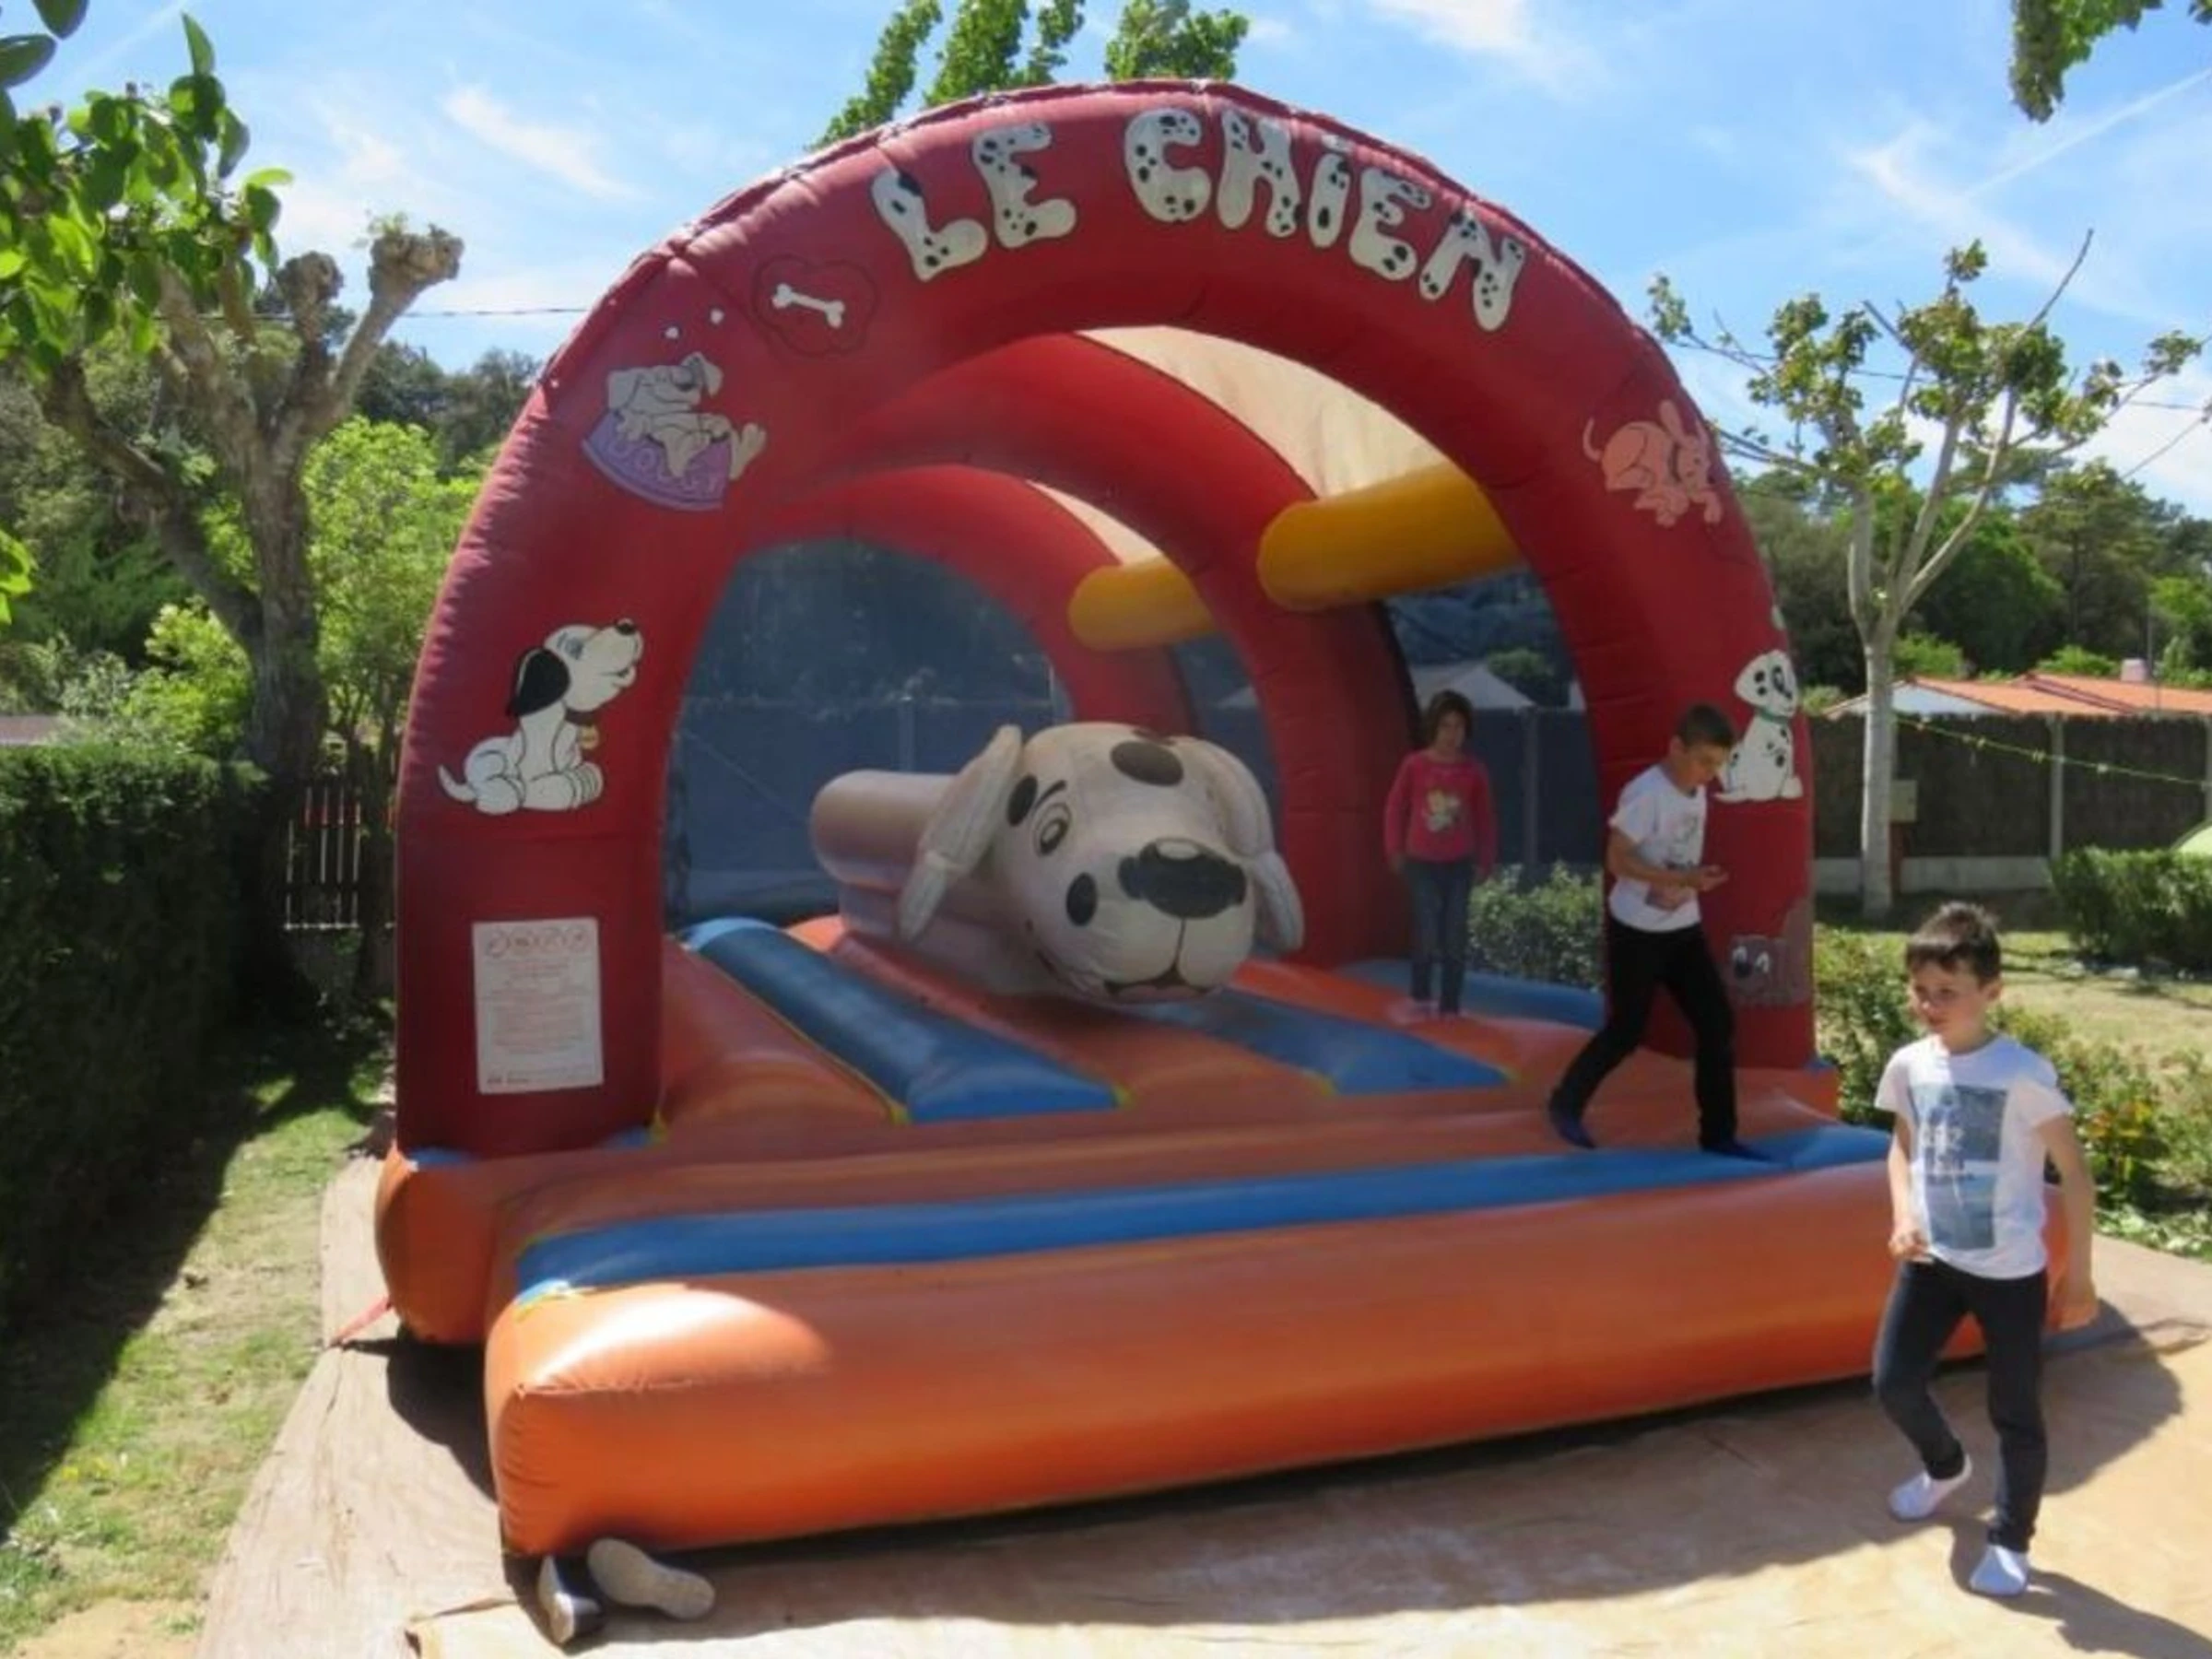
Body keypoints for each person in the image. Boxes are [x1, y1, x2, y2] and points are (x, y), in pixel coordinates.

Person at [1870, 900, 2098, 1599]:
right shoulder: (1910, 1065)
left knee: (2016, 1413)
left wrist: (2080, 1278)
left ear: (1992, 991)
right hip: (1932, 1262)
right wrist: (1905, 1215)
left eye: (1948, 991)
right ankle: (1945, 1466)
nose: (1930, 1005)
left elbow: (2076, 1175)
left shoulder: (2021, 1073)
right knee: (1893, 1381)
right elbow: (1902, 1148)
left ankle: (2010, 1540)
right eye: (1920, 990)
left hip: (2009, 1274)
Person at [1545, 701, 1753, 1156]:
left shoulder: (1696, 789)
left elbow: (1675, 855)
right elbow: (1616, 859)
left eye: (1718, 764)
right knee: (1626, 1030)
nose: (1710, 774)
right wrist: (1680, 879)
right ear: (1676, 748)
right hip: (1636, 931)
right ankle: (1566, 1102)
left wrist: (1693, 878)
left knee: (1717, 1024)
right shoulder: (1646, 793)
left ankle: (1719, 1135)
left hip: (1682, 928)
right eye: (1704, 762)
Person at [1382, 688, 1498, 1017]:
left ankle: (1450, 1004)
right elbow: (1395, 808)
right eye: (1445, 726)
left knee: (1455, 934)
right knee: (1427, 927)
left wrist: (1485, 860)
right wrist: (1394, 849)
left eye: (1458, 727)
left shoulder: (1473, 771)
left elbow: (1486, 819)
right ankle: (1420, 994)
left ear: (1466, 730)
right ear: (1433, 727)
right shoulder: (1415, 765)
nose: (1452, 734)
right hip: (1421, 862)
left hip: (1459, 864)